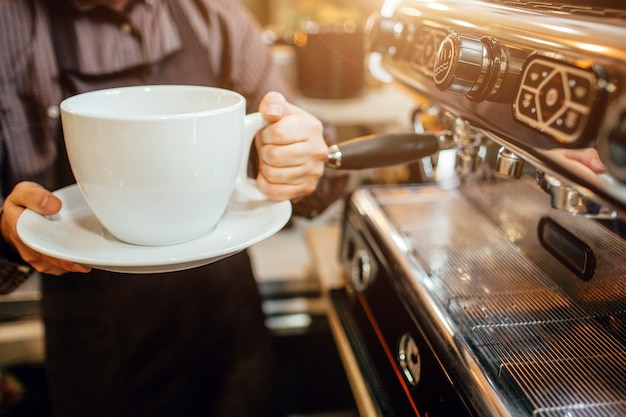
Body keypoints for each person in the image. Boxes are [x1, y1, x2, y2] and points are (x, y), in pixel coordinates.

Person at [0, 0, 348, 416]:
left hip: (231, 333)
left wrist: (303, 158)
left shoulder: (215, 16)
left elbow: (307, 153)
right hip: (99, 347)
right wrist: (7, 236)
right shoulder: (10, 26)